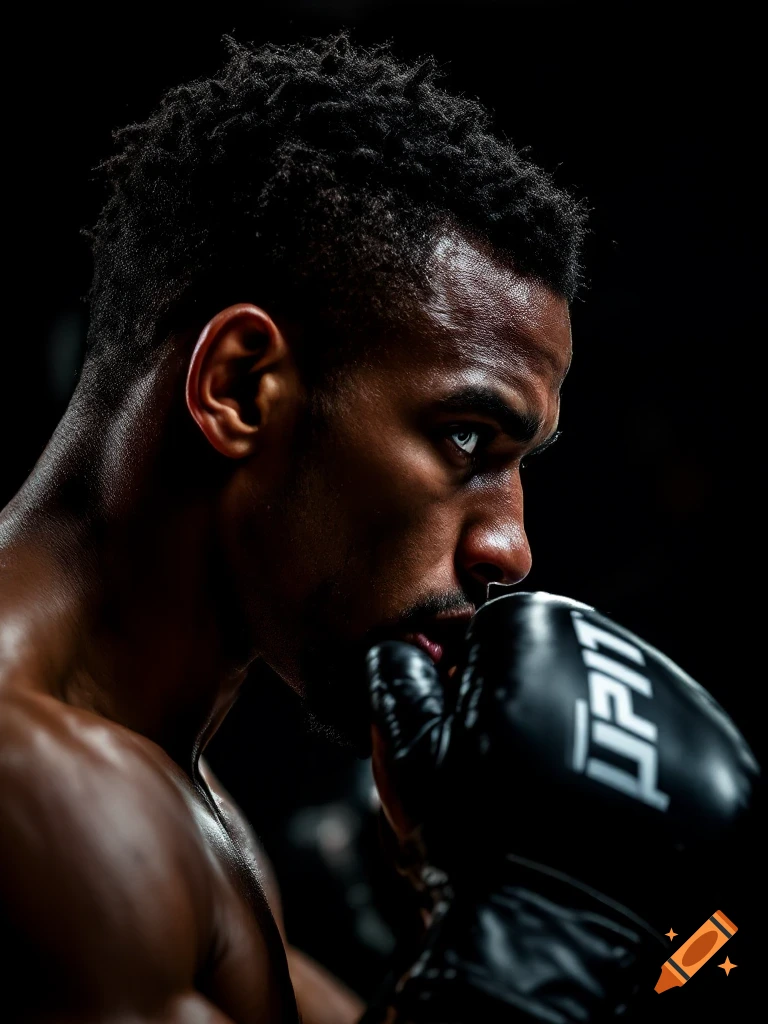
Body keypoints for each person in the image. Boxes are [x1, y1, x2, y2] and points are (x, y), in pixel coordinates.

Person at [0, 33, 757, 1024]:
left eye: (519, 464)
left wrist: (492, 913)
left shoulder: (162, 793)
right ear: (239, 386)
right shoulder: (48, 793)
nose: (511, 549)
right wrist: (530, 952)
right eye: (466, 436)